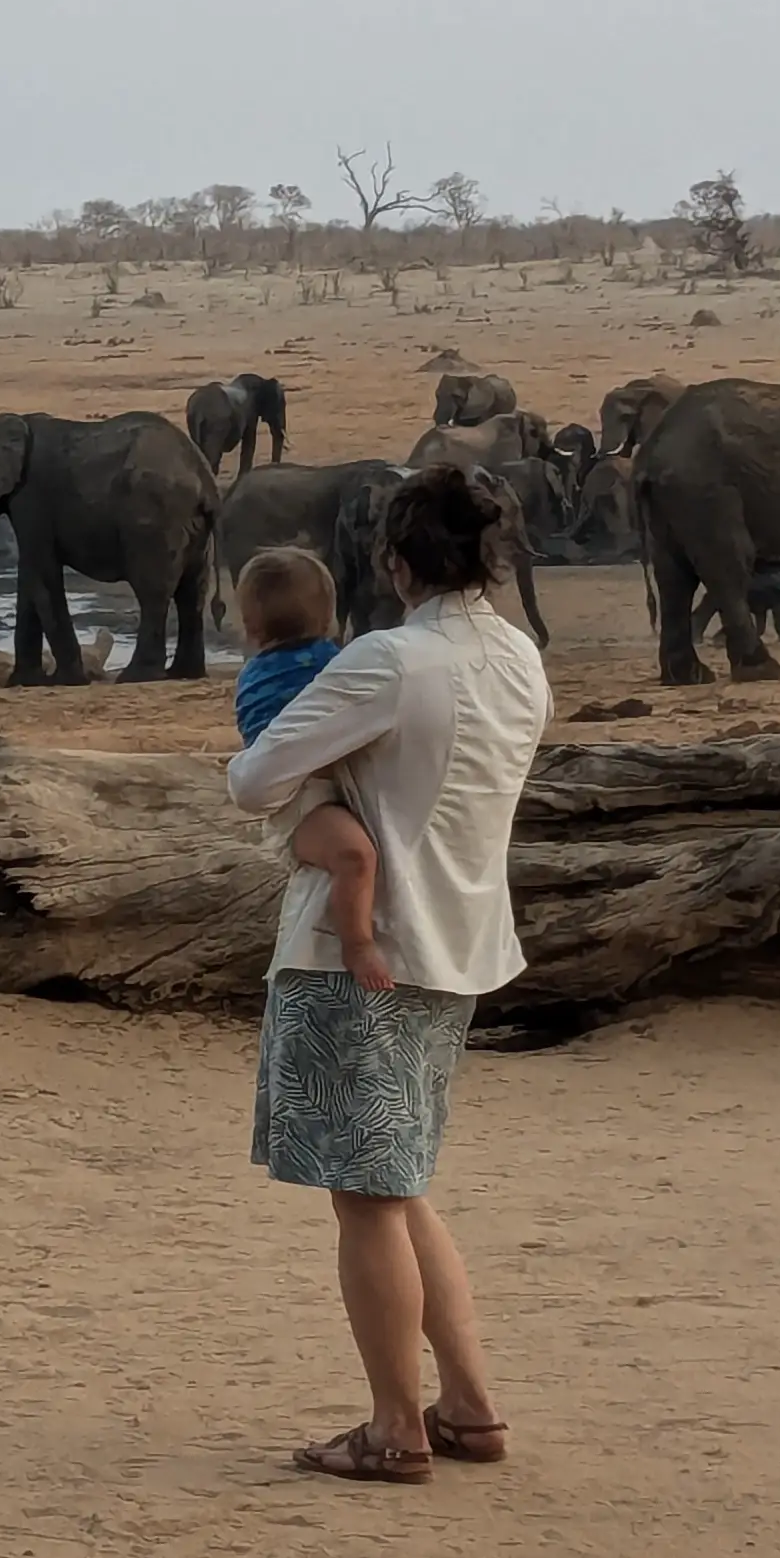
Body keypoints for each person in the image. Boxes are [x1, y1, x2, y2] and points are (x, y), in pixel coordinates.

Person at [228, 463, 549, 1484]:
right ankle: (468, 1405)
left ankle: (393, 1425)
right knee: (402, 1184)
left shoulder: (394, 661)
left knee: (365, 1199)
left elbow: (255, 777)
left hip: (354, 956)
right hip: (459, 944)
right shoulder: (520, 659)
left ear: (396, 560)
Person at [229, 549, 378, 972]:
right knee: (354, 857)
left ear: (251, 625)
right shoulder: (320, 668)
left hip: (327, 788)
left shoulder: (323, 664)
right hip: (303, 801)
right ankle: (358, 944)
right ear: (331, 615)